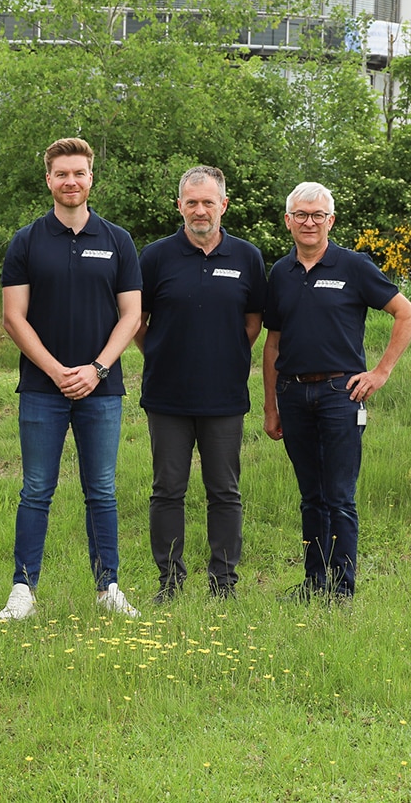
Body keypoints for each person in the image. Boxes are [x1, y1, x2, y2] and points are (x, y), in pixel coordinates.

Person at [0, 137, 143, 621]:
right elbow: (13, 317)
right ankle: (23, 590)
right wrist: (56, 370)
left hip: (102, 388)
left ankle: (108, 588)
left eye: (79, 173)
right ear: (49, 180)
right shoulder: (27, 241)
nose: (71, 181)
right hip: (44, 388)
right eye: (62, 174)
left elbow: (131, 315)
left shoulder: (117, 240)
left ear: (91, 178)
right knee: (36, 489)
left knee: (101, 490)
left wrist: (97, 368)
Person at [262, 181, 411, 603]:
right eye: (301, 215)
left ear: (330, 221)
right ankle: (314, 583)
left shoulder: (354, 266)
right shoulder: (280, 273)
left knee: (339, 497)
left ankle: (341, 589)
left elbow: (407, 314)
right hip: (293, 395)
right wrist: (270, 405)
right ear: (288, 221)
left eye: (318, 215)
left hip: (340, 395)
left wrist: (380, 372)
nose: (309, 222)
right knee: (311, 497)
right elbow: (273, 343)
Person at [135, 166, 267, 604]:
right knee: (167, 490)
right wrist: (160, 352)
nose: (200, 210)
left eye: (208, 202)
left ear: (223, 205)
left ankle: (223, 584)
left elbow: (253, 321)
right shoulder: (155, 257)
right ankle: (170, 583)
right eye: (191, 202)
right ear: (179, 206)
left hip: (224, 397)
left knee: (224, 492)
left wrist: (224, 355)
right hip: (167, 396)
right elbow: (136, 319)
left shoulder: (247, 257)